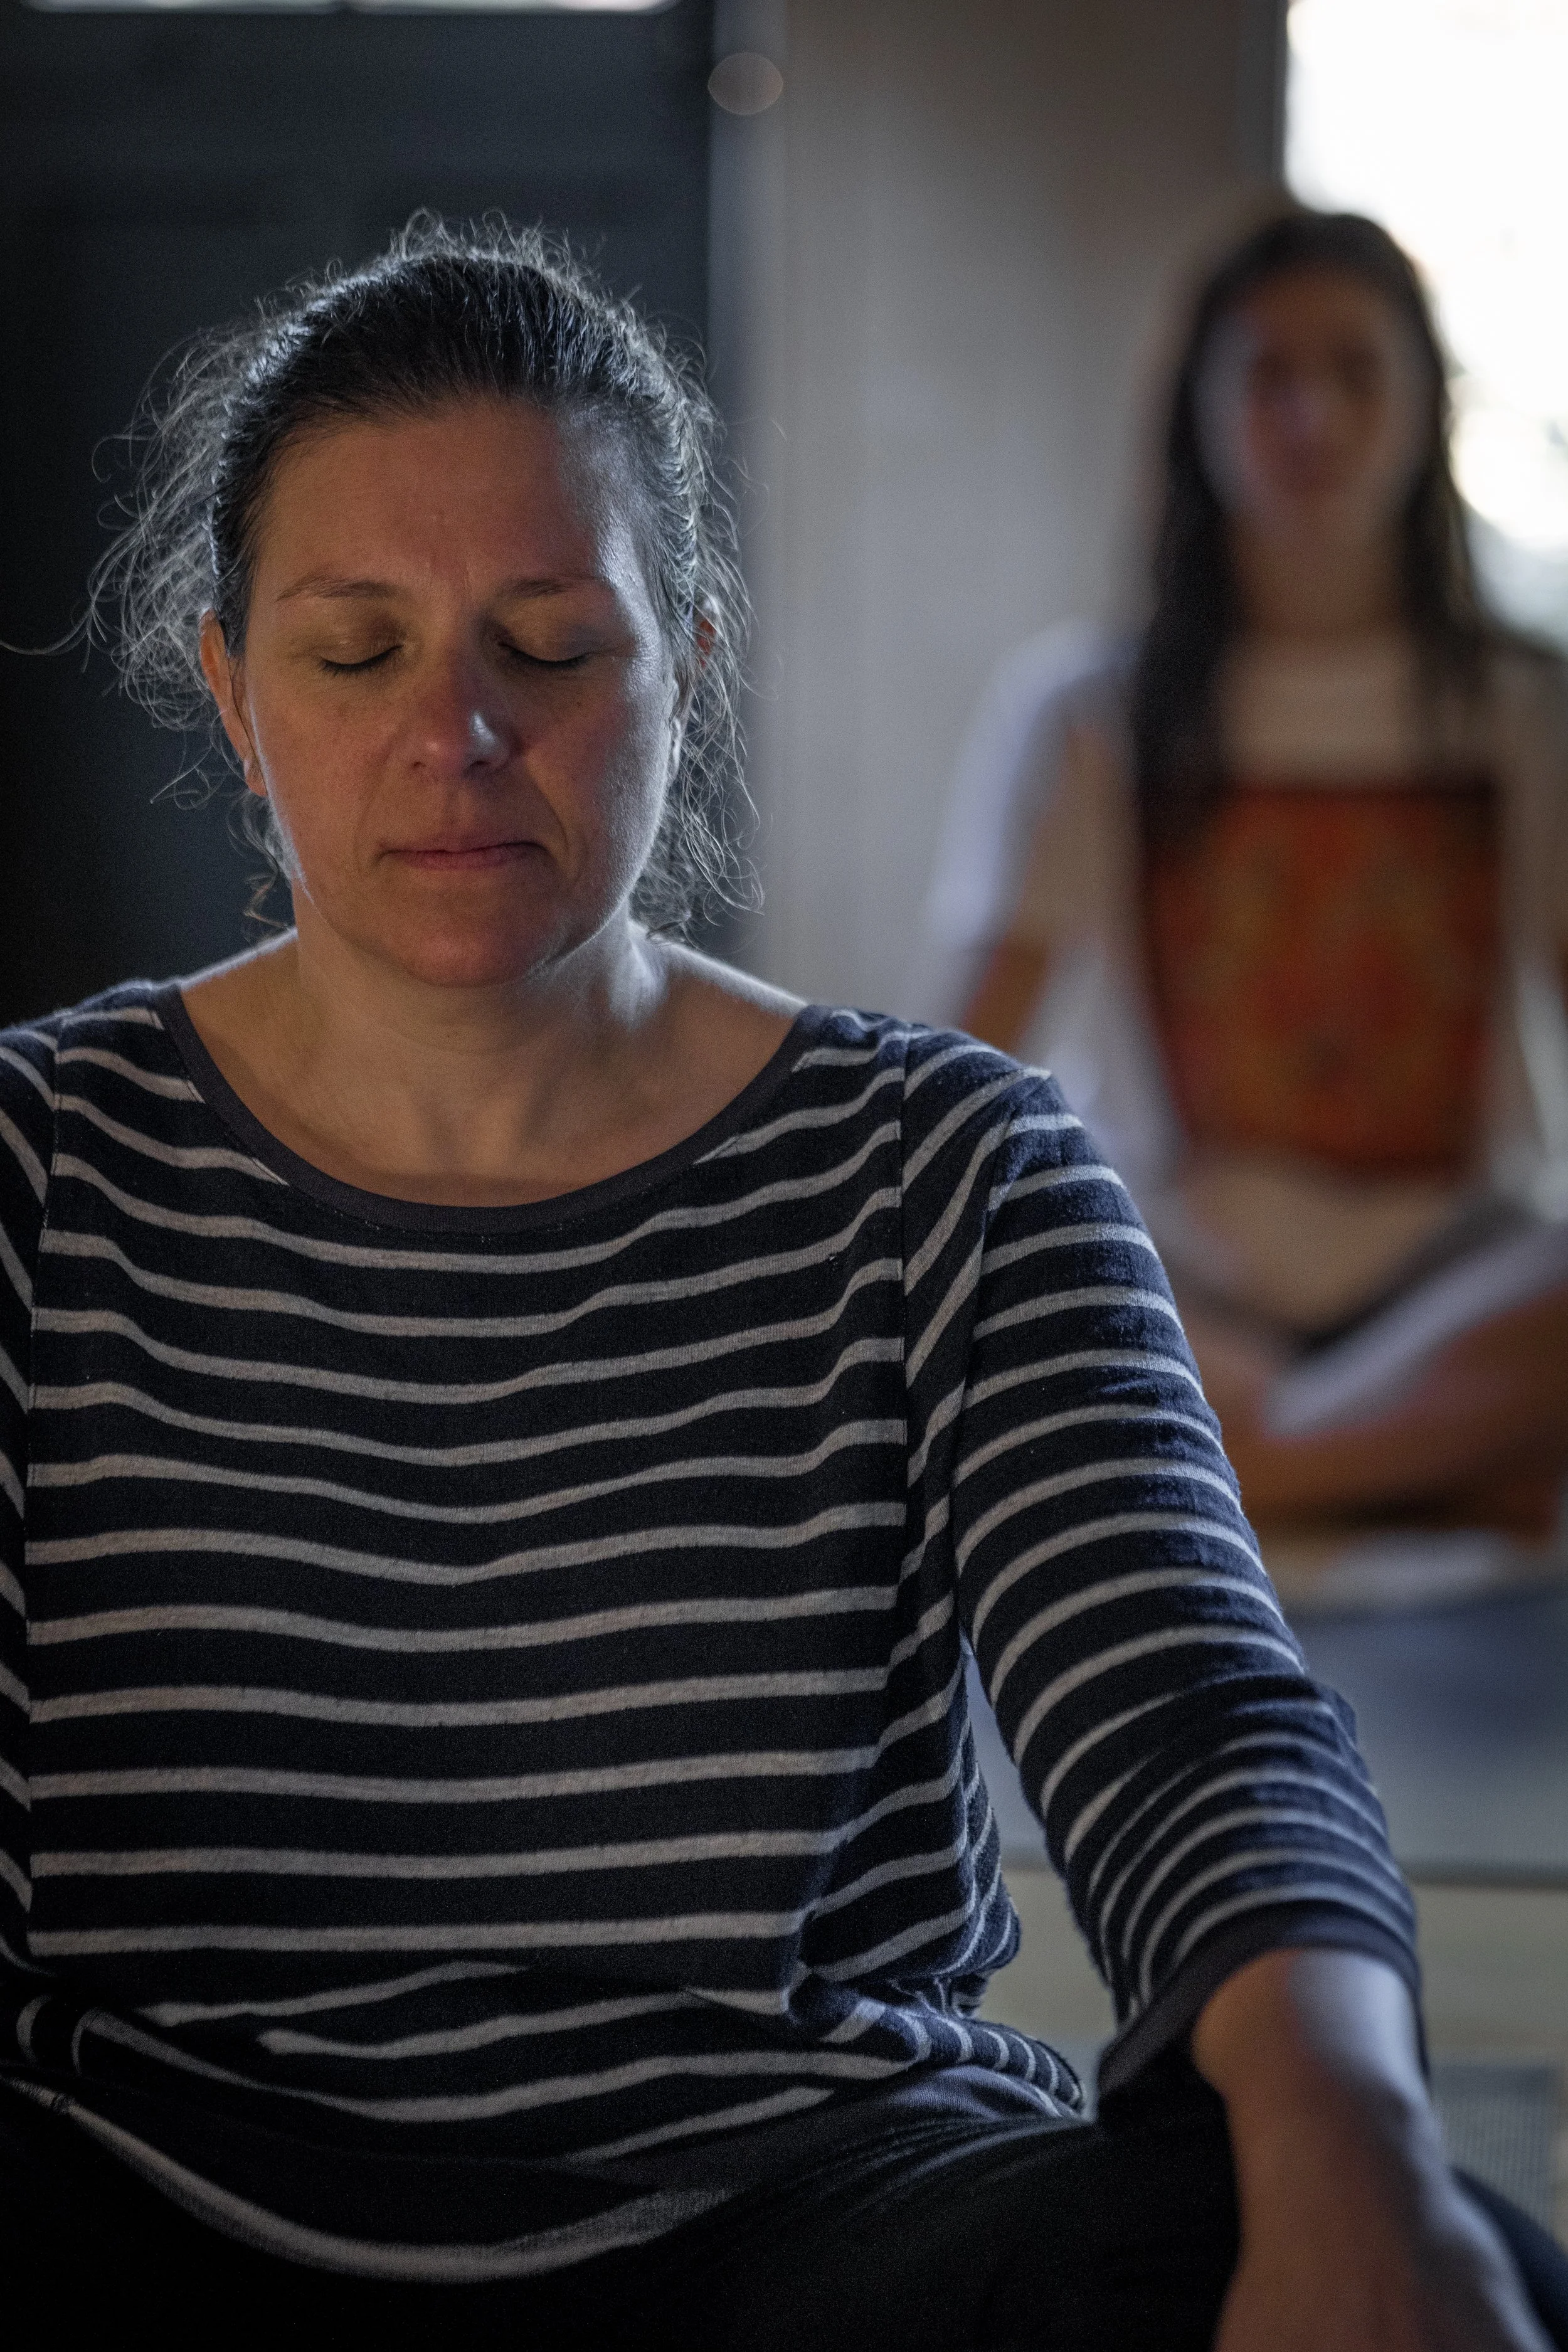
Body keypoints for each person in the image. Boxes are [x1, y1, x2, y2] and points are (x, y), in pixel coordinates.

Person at [0, 220, 1562, 2352]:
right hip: (150, 2195)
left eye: (553, 642)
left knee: (1362, 2242)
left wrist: (1355, 2168)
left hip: (812, 2214)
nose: (458, 732)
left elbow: (1190, 1717)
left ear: (693, 667)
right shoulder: (44, 1166)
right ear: (232, 694)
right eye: (357, 652)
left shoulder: (948, 1168)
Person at [918, 208, 1568, 1557]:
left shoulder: (1524, 709)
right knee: (1003, 1293)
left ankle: (1255, 1468)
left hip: (1459, 1278)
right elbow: (959, 1082)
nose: (1310, 418)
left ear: (1421, 403)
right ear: (1197, 413)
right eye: (1265, 376)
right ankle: (1413, 1466)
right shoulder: (1084, 708)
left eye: (1353, 371)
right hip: (1174, 1281)